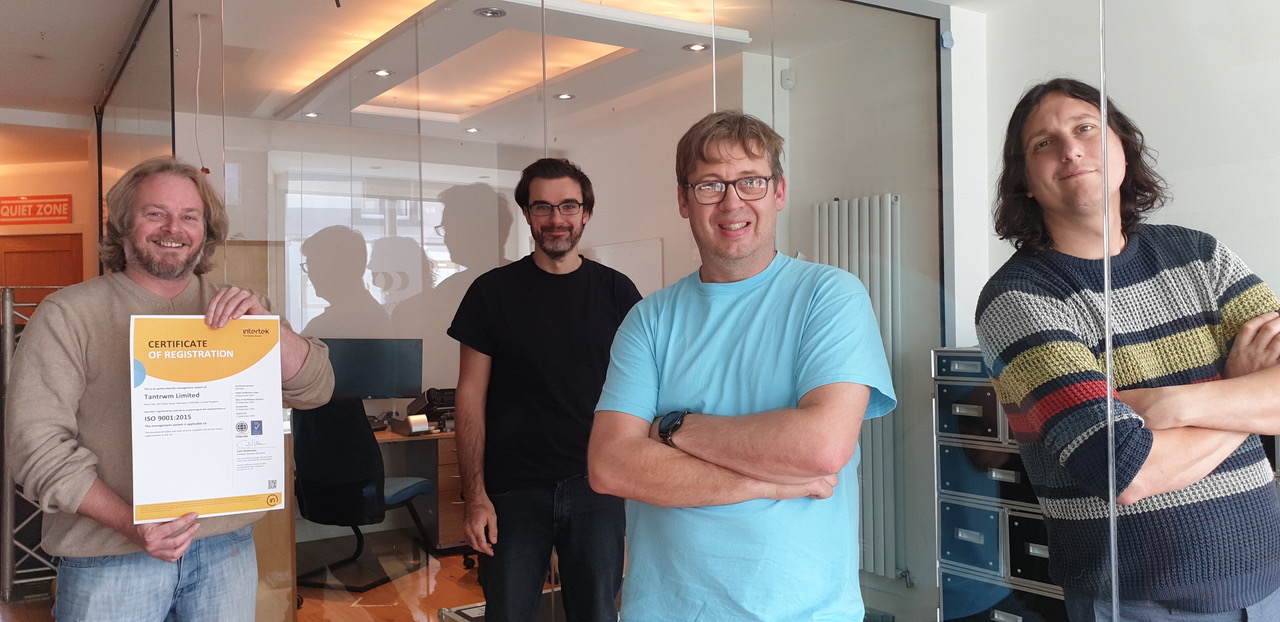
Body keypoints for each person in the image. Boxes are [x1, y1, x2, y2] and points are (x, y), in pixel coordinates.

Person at [974, 78, 1280, 620]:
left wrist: (1176, 404)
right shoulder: (1019, 297)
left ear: (1122, 147)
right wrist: (1242, 397)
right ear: (1024, 180)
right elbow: (1124, 470)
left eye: (1085, 129)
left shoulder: (1199, 254)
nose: (1070, 149)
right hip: (1137, 599)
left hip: (1267, 579)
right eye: (1043, 143)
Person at [588, 110, 897, 621]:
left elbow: (820, 448)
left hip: (800, 610)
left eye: (750, 181)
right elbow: (610, 465)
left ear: (778, 191)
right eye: (710, 185)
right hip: (664, 610)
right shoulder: (648, 320)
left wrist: (673, 429)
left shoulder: (830, 296)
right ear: (684, 201)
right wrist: (769, 483)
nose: (733, 202)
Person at [4, 156, 335, 621]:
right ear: (124, 224)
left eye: (189, 216)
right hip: (109, 557)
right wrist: (131, 524)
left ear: (206, 230)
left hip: (227, 549)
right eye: (154, 213)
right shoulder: (67, 314)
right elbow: (35, 447)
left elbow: (316, 388)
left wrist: (268, 330)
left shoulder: (243, 310)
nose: (172, 228)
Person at [447, 158, 641, 621]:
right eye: (543, 207)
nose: (557, 219)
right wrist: (475, 496)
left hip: (597, 487)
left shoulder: (618, 293)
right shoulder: (490, 293)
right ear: (528, 215)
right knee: (508, 613)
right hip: (512, 494)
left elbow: (639, 393)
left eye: (568, 206)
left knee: (597, 613)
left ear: (586, 213)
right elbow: (469, 397)